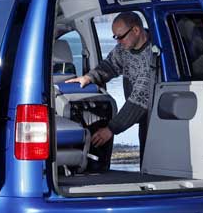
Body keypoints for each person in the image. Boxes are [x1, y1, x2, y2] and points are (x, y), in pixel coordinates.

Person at [65, 11, 156, 160]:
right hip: (144, 119)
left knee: (152, 165)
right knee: (145, 164)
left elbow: (139, 100)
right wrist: (89, 77)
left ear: (136, 30)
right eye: (115, 37)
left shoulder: (151, 56)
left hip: (156, 119)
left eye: (120, 36)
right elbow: (110, 66)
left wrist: (111, 129)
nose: (118, 41)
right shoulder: (124, 49)